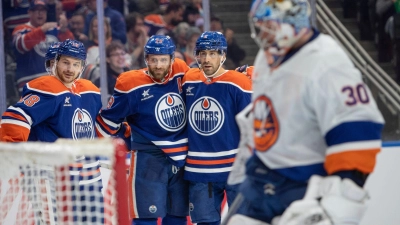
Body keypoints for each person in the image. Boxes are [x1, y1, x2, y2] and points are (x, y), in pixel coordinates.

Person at [226, 1, 385, 224]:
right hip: (261, 183)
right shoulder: (267, 56)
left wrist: (337, 202)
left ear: (293, 23)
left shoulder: (327, 61)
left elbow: (359, 131)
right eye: (259, 26)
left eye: (268, 26)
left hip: (304, 187)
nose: (262, 34)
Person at [0, 39, 104, 223]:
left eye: (75, 64)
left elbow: (103, 125)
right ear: (55, 62)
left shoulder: (90, 91)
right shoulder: (47, 89)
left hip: (89, 177)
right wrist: (11, 154)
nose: (70, 69)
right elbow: (15, 117)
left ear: (82, 66)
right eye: (65, 62)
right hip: (53, 177)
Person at [96, 35, 190, 225]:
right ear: (146, 59)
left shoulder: (182, 71)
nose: (158, 65)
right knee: (145, 217)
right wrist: (126, 135)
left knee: (178, 217)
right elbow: (106, 123)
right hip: (149, 158)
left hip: (182, 158)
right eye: (153, 59)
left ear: (172, 59)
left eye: (163, 59)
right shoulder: (131, 84)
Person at [182, 31, 252, 225]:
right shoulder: (188, 80)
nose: (206, 59)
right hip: (200, 170)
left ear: (223, 56)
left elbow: (252, 126)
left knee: (244, 221)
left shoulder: (239, 82)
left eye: (213, 53)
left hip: (236, 168)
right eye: (202, 53)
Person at [12, 0, 74, 94]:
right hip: (30, 82)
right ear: (29, 12)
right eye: (36, 10)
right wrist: (42, 30)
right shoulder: (21, 29)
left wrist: (64, 31)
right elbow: (20, 46)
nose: (40, 13)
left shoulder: (55, 29)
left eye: (43, 10)